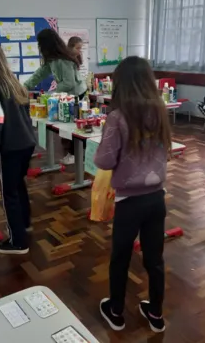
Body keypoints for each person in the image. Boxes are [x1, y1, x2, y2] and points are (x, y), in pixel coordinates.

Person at [94, 57, 171, 333]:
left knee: (121, 256)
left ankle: (115, 311)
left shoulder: (117, 116)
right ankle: (156, 314)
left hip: (128, 200)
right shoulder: (160, 110)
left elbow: (103, 161)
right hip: (157, 198)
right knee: (155, 259)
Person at [0, 41, 36, 255]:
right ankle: (25, 225)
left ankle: (17, 241)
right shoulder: (12, 81)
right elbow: (19, 116)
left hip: (10, 146)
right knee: (18, 186)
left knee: (9, 192)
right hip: (27, 142)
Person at [22, 29, 86, 165]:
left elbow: (69, 83)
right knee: (65, 124)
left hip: (76, 95)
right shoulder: (52, 58)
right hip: (67, 94)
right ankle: (71, 153)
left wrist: (53, 94)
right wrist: (24, 86)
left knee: (72, 126)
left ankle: (76, 155)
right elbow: (40, 74)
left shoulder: (63, 59)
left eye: (40, 44)